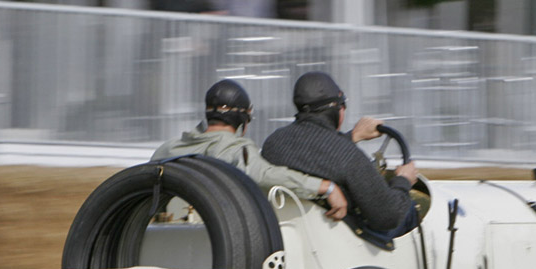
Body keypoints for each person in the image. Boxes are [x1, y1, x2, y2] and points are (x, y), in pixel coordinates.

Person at [152, 79, 347, 220]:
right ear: (243, 120)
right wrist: (325, 187)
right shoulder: (238, 150)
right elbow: (266, 176)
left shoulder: (167, 149)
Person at [262, 72, 420, 242]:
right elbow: (388, 216)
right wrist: (403, 180)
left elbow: (315, 154)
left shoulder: (274, 143)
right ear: (336, 108)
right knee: (410, 208)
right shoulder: (348, 156)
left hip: (295, 236)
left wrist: (352, 136)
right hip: (343, 240)